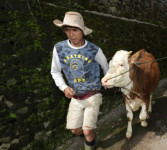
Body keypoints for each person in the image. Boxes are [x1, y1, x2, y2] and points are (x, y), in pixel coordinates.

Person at [50, 11, 108, 150]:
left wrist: (107, 82)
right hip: (75, 96)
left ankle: (90, 138)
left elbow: (106, 68)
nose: (71, 34)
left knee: (86, 131)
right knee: (75, 130)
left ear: (82, 30)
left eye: (75, 30)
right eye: (67, 30)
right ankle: (91, 137)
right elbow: (55, 71)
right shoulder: (59, 49)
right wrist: (64, 87)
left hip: (93, 93)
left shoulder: (94, 50)